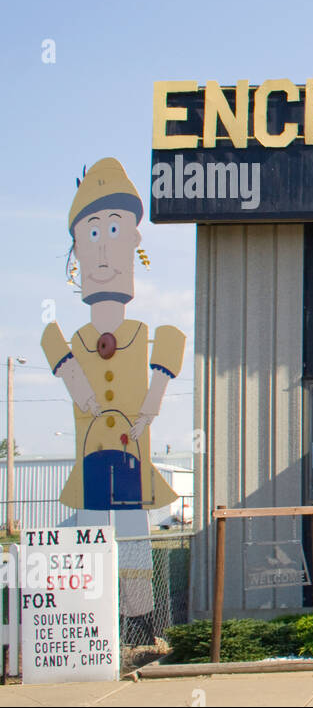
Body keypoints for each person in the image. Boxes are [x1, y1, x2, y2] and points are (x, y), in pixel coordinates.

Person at [39, 157, 186, 619]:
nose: (104, 250)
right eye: (93, 233)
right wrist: (71, 375)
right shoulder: (73, 341)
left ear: (135, 242)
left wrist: (149, 405)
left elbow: (169, 348)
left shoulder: (144, 332)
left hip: (130, 455)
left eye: (116, 230)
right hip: (90, 452)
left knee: (133, 530)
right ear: (77, 251)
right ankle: (91, 618)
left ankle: (139, 617)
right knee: (88, 533)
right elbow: (51, 345)